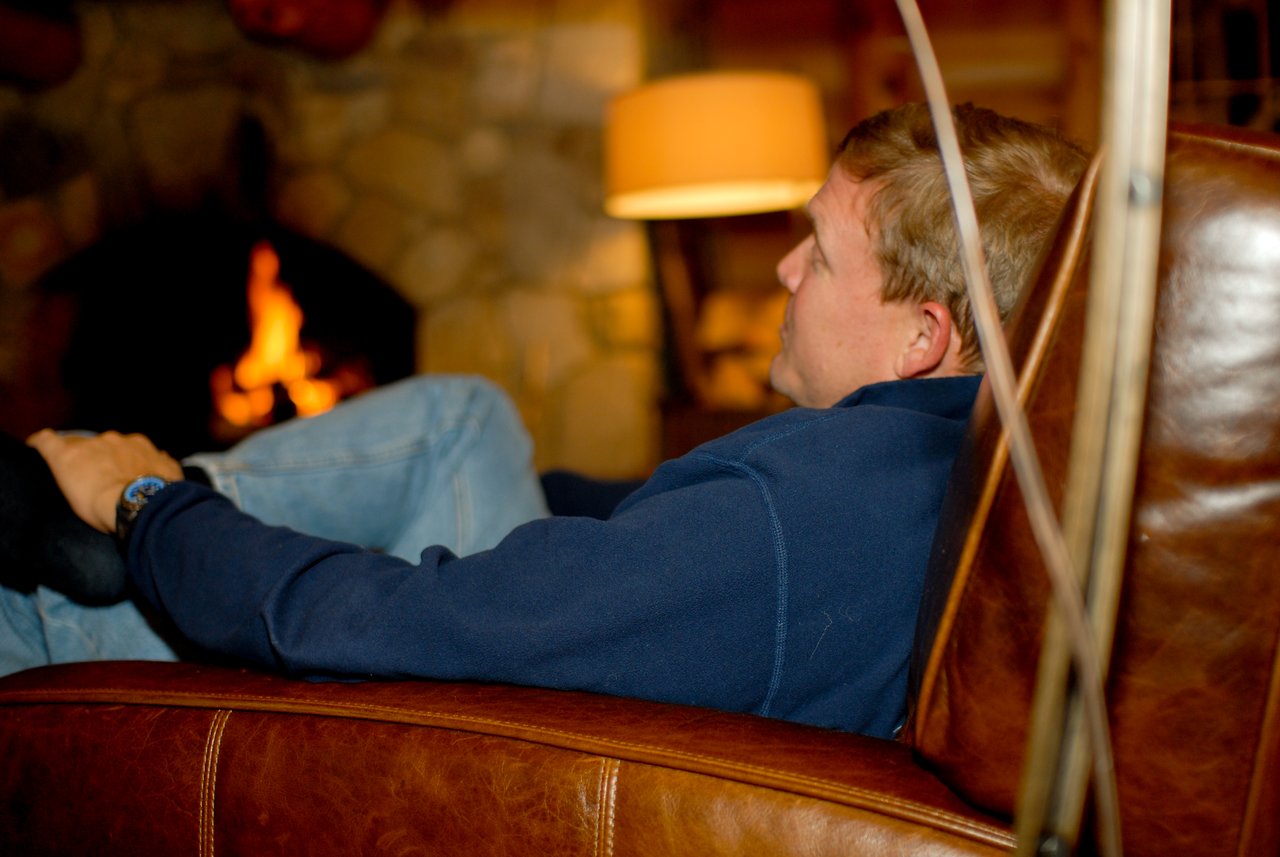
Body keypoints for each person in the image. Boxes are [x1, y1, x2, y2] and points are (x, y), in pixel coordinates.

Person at [1, 103, 1087, 739]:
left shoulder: (791, 520)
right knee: (466, 419)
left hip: (474, 738)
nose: (784, 267)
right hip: (555, 666)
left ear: (922, 335)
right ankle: (104, 510)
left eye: (822, 253)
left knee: (102, 566)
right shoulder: (954, 455)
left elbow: (383, 623)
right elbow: (658, 543)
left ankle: (77, 553)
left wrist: (151, 508)